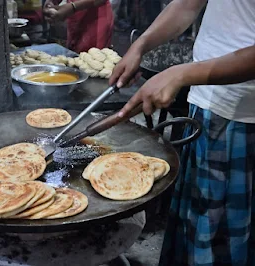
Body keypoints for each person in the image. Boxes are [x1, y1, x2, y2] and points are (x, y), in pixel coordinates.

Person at [109, 0, 255, 265]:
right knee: (196, 224)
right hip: (207, 100)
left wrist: (181, 74)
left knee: (224, 239)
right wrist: (141, 45)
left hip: (242, 116)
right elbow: (188, 4)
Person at [42, 0, 114, 53]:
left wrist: (73, 7)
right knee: (75, 55)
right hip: (75, 17)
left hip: (96, 18)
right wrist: (51, 2)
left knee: (94, 57)